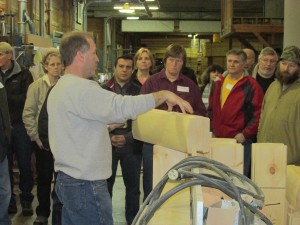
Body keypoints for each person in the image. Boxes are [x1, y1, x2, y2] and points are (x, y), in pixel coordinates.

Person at [47, 31, 193, 225]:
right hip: (86, 185)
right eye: (93, 53)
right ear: (80, 56)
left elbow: (76, 127)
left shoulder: (60, 88)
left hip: (68, 181)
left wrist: (105, 126)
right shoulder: (83, 88)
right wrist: (163, 95)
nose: (97, 58)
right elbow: (121, 106)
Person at [140, 43, 207, 199]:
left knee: (179, 188)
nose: (174, 64)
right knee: (152, 188)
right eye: (171, 59)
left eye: (179, 60)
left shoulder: (190, 85)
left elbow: (202, 113)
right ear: (165, 61)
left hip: (181, 145)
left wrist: (187, 115)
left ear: (183, 63)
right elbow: (140, 110)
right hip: (154, 143)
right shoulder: (152, 82)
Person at [22, 49, 63, 225]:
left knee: (62, 180)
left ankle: (60, 214)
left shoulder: (65, 85)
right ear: (45, 66)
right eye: (52, 64)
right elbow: (28, 113)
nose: (56, 67)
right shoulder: (36, 86)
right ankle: (43, 213)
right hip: (42, 142)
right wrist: (35, 137)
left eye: (58, 64)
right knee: (44, 179)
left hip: (63, 142)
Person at [208, 48, 264, 177]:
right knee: (217, 178)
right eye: (229, 61)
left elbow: (258, 114)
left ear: (244, 64)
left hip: (239, 141)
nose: (232, 64)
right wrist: (212, 128)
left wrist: (245, 134)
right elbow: (211, 109)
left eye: (236, 62)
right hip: (218, 139)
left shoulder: (252, 85)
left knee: (237, 181)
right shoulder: (218, 82)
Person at [102, 55, 143, 225]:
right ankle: (104, 219)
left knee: (133, 188)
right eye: (121, 66)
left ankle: (132, 219)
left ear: (133, 69)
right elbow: (96, 117)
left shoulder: (140, 90)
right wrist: (109, 136)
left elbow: (144, 119)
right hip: (106, 145)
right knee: (105, 187)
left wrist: (127, 137)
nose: (124, 70)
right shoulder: (103, 90)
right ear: (115, 68)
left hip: (132, 146)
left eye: (128, 67)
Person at [0, 42, 34, 216]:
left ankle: (26, 199)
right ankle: (10, 201)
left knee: (24, 165)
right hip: (3, 129)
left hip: (20, 126)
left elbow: (27, 99)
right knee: (4, 168)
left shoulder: (24, 75)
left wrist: (4, 94)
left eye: (0, 54)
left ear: (9, 55)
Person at [257, 45, 300, 165]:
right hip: (264, 155)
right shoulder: (273, 87)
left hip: (290, 161)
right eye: (284, 63)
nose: (286, 68)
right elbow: (262, 118)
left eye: (292, 65)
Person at [0, 80, 11, 225]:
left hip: (1, 149)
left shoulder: (0, 86)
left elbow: (5, 116)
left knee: (5, 191)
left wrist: (7, 138)